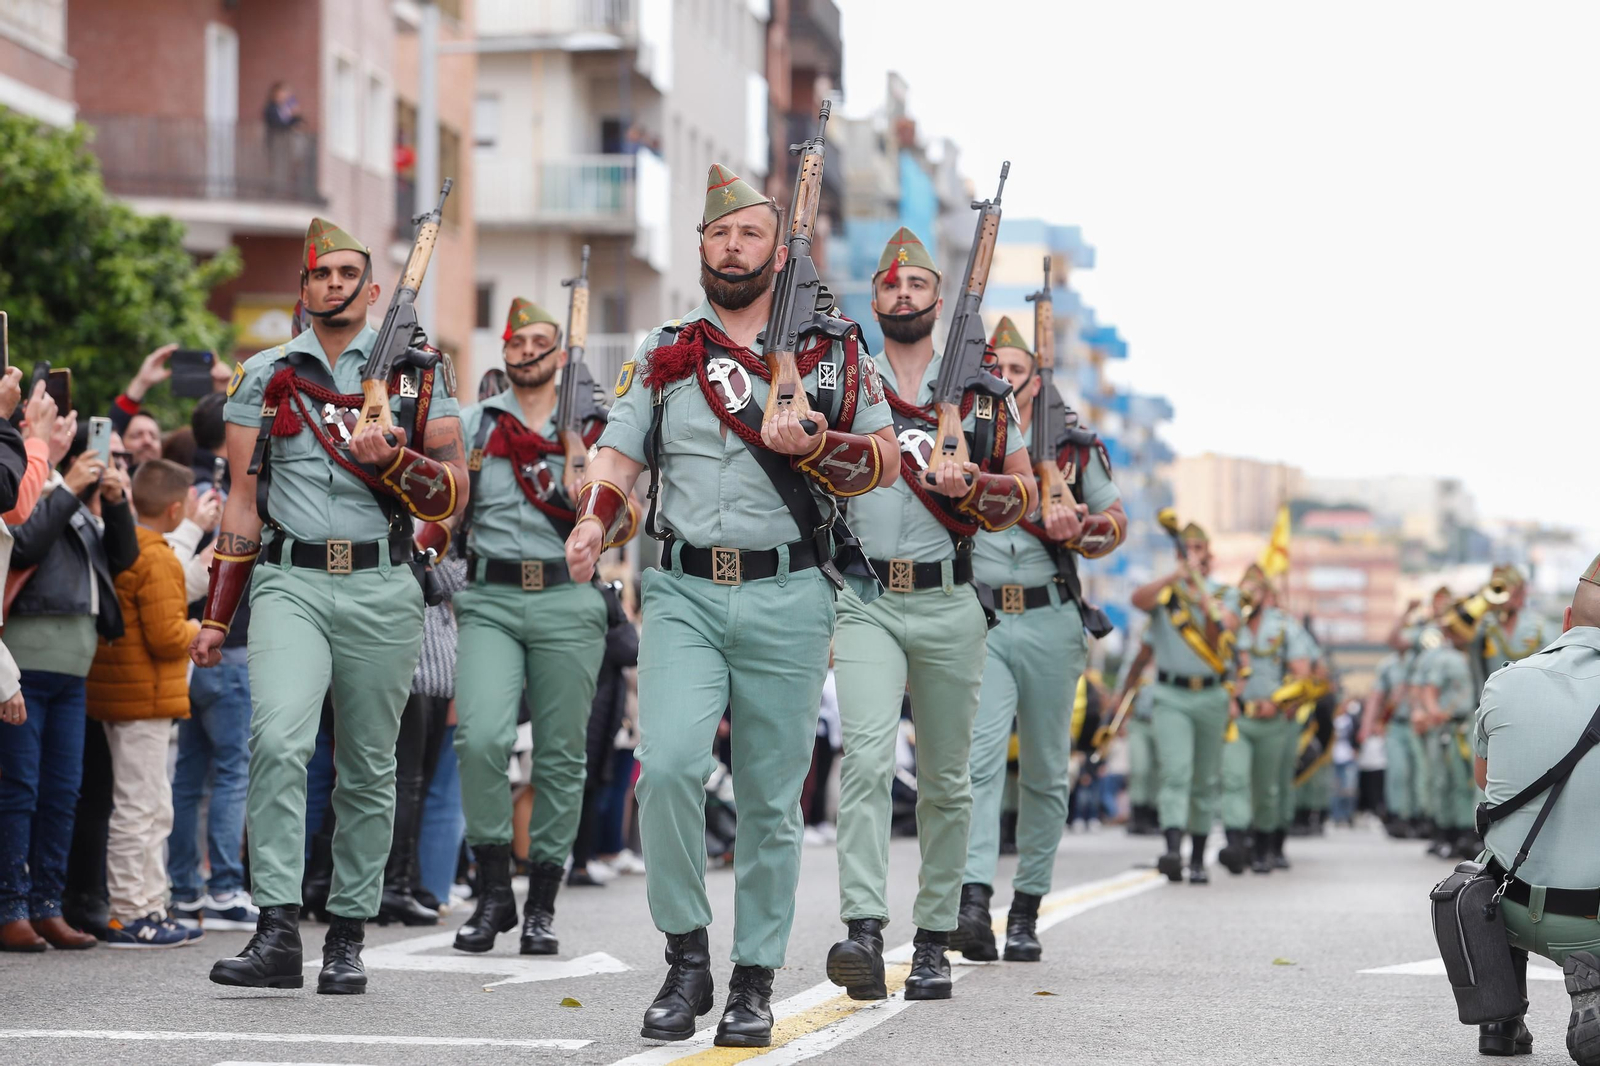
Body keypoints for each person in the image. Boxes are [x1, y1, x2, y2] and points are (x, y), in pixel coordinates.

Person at [563, 164, 897, 1048]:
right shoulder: (668, 349)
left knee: (771, 798)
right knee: (669, 766)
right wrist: (594, 521)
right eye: (720, 234)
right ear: (702, 248)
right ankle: (686, 957)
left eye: (750, 234)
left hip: (790, 591)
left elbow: (886, 460)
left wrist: (817, 443)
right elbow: (618, 456)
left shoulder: (830, 352)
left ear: (778, 251)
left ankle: (753, 980)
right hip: (682, 592)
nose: (733, 247)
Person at [192, 215, 467, 994]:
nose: (335, 284)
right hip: (291, 581)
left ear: (373, 290)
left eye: (349, 274)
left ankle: (346, 936)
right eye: (322, 274)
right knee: (279, 741)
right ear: (304, 288)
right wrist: (216, 617)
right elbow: (241, 503)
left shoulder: (419, 373)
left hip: (383, 581)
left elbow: (455, 493)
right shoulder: (263, 375)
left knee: (369, 765)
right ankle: (277, 930)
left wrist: (399, 462)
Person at [824, 228, 1031, 1003]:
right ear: (874, 299)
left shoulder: (980, 393)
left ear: (940, 301)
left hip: (949, 599)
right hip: (867, 599)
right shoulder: (846, 379)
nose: (903, 293)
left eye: (917, 284)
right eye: (890, 283)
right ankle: (864, 931)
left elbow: (1026, 492)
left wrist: (972, 486)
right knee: (867, 760)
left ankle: (935, 938)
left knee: (946, 779)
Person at [446, 294, 632, 956]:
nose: (527, 352)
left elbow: (628, 518)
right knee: (481, 738)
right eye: (516, 344)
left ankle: (543, 905)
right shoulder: (476, 424)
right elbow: (447, 505)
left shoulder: (592, 424)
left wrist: (590, 488)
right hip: (490, 596)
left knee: (561, 754)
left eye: (538, 343)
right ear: (505, 353)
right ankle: (494, 890)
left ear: (559, 354)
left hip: (566, 596)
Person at [953, 315, 1124, 963]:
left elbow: (1115, 521)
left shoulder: (1073, 448)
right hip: (985, 617)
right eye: (995, 368)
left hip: (1052, 617)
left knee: (1048, 770)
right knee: (979, 760)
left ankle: (1026, 908)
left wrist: (1079, 527)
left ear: (1035, 379)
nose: (1005, 378)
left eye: (1017, 370)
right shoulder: (964, 433)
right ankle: (973, 903)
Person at [0, 417, 139, 952]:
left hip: (73, 672)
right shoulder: (27, 487)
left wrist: (116, 503)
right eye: (106, 453)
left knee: (62, 792)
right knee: (20, 789)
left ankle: (47, 906)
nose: (113, 462)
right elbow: (24, 546)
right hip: (24, 666)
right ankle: (11, 907)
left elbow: (122, 559)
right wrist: (68, 487)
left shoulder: (77, 501)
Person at [1469, 554, 1600, 1063]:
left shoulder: (1504, 681)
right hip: (1592, 918)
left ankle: (1501, 1016)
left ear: (1567, 620)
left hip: (1506, 908)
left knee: (1494, 854)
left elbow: (1486, 781)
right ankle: (1593, 989)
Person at [87, 460, 202, 948]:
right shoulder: (157, 558)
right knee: (140, 808)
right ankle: (130, 912)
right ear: (175, 510)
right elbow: (166, 636)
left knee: (153, 805)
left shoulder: (130, 547)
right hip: (144, 697)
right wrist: (199, 628)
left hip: (128, 694)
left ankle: (151, 904)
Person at [1129, 522, 1239, 883]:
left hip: (1211, 695)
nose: (1192, 554)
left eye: (1198, 548)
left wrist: (1205, 597)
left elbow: (1227, 629)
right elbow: (1137, 600)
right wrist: (1175, 576)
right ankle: (1173, 850)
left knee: (1205, 779)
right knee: (1176, 772)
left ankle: (1197, 858)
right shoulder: (1167, 594)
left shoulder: (1224, 593)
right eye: (1185, 548)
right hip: (1171, 694)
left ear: (1208, 554)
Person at [1217, 564, 1311, 875]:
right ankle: (1235, 844)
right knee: (1234, 780)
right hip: (1237, 717)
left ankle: (1263, 848)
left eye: (1255, 590)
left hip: (1272, 720)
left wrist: (1280, 702)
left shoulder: (1284, 626)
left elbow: (1302, 673)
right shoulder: (1229, 623)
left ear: (1267, 594)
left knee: (1267, 789)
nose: (1249, 595)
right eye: (1244, 589)